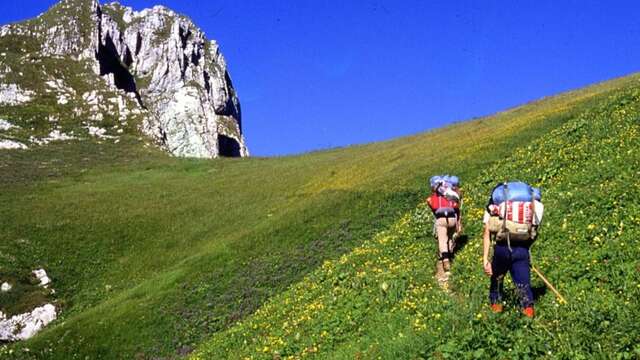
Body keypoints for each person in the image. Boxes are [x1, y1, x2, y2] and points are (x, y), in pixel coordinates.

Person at [482, 182, 543, 318]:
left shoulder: (493, 207)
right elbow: (534, 231)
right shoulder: (530, 206)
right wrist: (525, 247)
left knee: (497, 281)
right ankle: (528, 316)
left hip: (502, 249)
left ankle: (496, 313)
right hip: (522, 249)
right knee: (524, 285)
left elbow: (487, 233)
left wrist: (485, 259)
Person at [426, 176, 462, 283]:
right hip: (451, 218)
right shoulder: (450, 194)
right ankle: (450, 255)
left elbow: (433, 207)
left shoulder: (433, 197)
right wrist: (458, 222)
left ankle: (445, 261)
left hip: (441, 218)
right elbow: (457, 208)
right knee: (449, 237)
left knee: (442, 239)